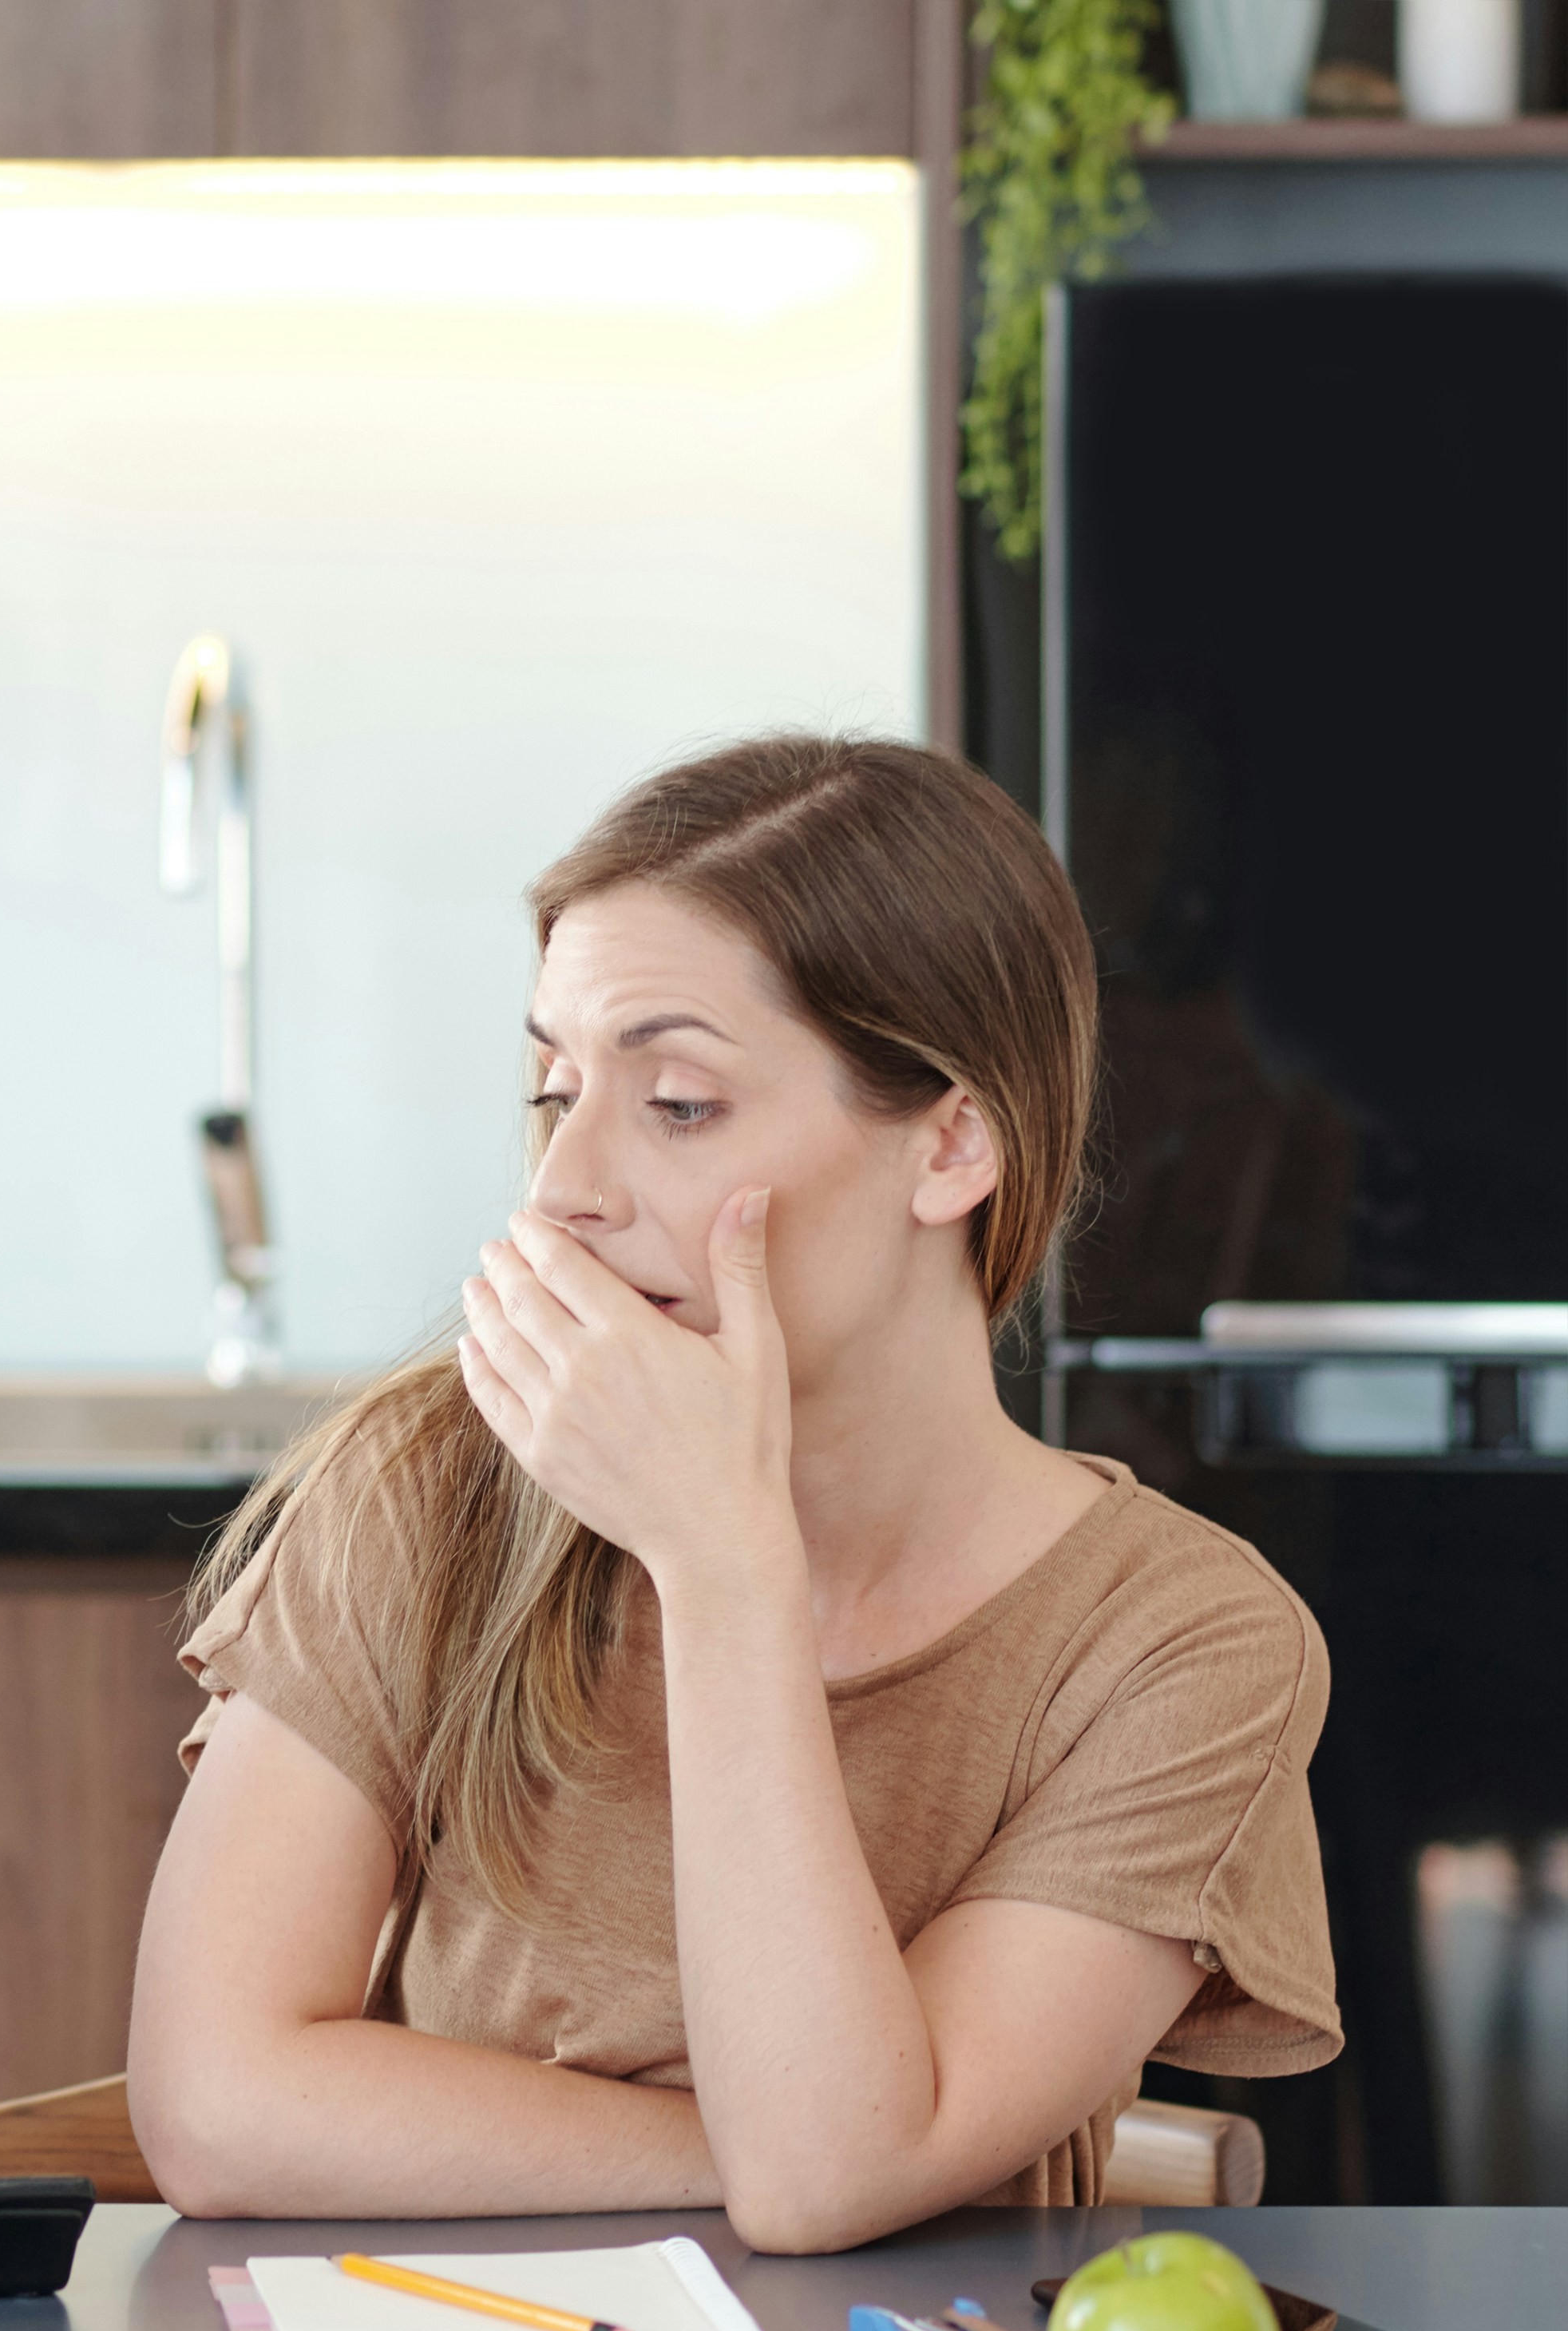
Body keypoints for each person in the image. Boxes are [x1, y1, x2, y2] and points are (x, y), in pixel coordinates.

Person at [125, 735, 1338, 2253]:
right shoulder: (426, 1486)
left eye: (678, 1102)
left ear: (954, 1140)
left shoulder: (1185, 1646)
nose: (564, 1184)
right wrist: (768, 2139)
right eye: (555, 1088)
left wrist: (722, 1562)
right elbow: (216, 2102)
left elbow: (823, 2174)